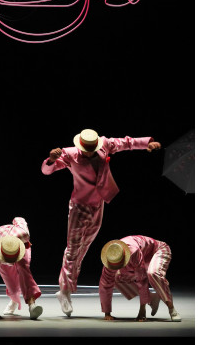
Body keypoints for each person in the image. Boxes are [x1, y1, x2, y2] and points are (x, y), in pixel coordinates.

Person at [41, 129, 161, 316]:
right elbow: (47, 171)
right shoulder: (70, 153)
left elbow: (125, 142)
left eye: (92, 149)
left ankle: (65, 288)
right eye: (87, 150)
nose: (90, 152)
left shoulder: (103, 144)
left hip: (98, 206)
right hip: (79, 208)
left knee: (82, 250)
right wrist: (50, 159)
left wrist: (147, 143)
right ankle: (64, 291)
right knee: (72, 250)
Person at [99, 236, 181, 322]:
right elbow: (105, 284)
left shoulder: (133, 252)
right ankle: (152, 298)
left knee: (152, 273)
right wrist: (107, 313)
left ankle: (172, 309)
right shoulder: (110, 259)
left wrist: (142, 310)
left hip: (158, 250)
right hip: (139, 257)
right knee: (117, 278)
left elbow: (142, 279)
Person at [0, 217, 43, 320]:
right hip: (2, 249)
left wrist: (26, 243)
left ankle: (32, 305)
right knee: (11, 282)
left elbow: (19, 219)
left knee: (24, 268)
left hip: (18, 246)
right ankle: (14, 300)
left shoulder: (23, 234)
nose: (14, 263)